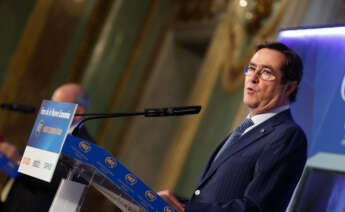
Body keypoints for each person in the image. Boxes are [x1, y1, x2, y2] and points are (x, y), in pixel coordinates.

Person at [159, 41, 307, 212]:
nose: (253, 77)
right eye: (251, 68)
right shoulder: (246, 128)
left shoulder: (286, 135)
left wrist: (187, 210)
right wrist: (175, 203)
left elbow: (256, 208)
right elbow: (215, 199)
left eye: (266, 72)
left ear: (288, 87)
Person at [0, 83, 93, 212]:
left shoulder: (87, 147)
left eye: (57, 105)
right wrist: (7, 157)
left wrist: (19, 161)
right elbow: (25, 162)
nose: (50, 109)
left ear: (78, 112)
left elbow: (62, 182)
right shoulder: (47, 128)